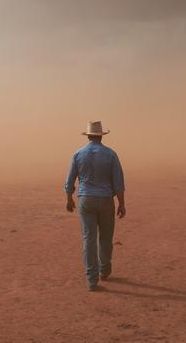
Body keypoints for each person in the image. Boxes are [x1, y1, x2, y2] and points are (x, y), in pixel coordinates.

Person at [64, 120, 126, 291]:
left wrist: (69, 199)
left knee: (88, 239)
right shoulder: (111, 154)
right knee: (105, 238)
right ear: (101, 136)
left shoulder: (78, 154)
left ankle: (91, 280)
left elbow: (69, 181)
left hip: (86, 200)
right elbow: (118, 183)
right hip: (106, 200)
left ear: (89, 135)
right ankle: (104, 270)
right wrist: (121, 204)